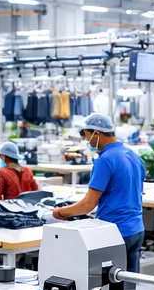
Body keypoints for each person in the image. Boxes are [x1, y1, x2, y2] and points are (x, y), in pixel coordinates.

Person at [51, 113, 146, 277]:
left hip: (116, 232)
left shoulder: (105, 160)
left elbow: (88, 204)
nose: (87, 142)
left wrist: (60, 212)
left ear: (97, 133)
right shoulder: (134, 156)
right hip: (137, 229)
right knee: (129, 287)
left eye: (87, 136)